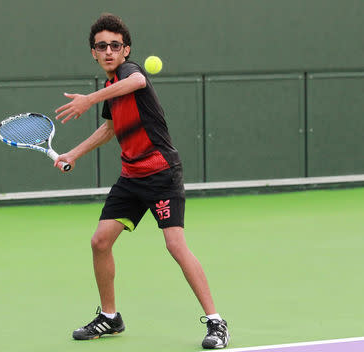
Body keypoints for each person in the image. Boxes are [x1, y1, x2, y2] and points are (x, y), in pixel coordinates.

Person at [53, 13, 230, 349]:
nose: (108, 51)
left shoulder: (130, 73)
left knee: (175, 245)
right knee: (100, 242)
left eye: (114, 46)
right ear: (93, 52)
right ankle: (110, 317)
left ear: (126, 50)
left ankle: (217, 323)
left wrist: (89, 99)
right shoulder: (110, 88)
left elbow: (137, 84)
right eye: (101, 46)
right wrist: (74, 154)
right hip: (131, 176)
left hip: (162, 173)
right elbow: (109, 129)